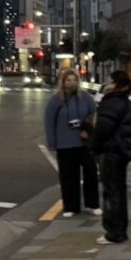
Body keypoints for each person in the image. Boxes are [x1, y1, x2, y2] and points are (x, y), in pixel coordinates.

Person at [91, 70, 131, 244]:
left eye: (110, 82)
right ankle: (120, 229)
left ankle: (114, 232)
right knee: (119, 190)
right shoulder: (127, 103)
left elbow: (102, 129)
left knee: (111, 192)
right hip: (123, 152)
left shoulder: (111, 103)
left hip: (111, 151)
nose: (107, 85)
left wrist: (94, 147)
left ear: (117, 85)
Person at [43, 71, 100, 218]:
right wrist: (51, 141)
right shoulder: (56, 100)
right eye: (68, 80)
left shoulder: (85, 97)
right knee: (68, 175)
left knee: (91, 171)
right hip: (64, 142)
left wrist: (87, 130)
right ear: (63, 82)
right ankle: (70, 206)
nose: (71, 82)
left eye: (74, 80)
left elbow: (93, 113)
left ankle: (92, 204)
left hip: (83, 142)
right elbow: (49, 121)